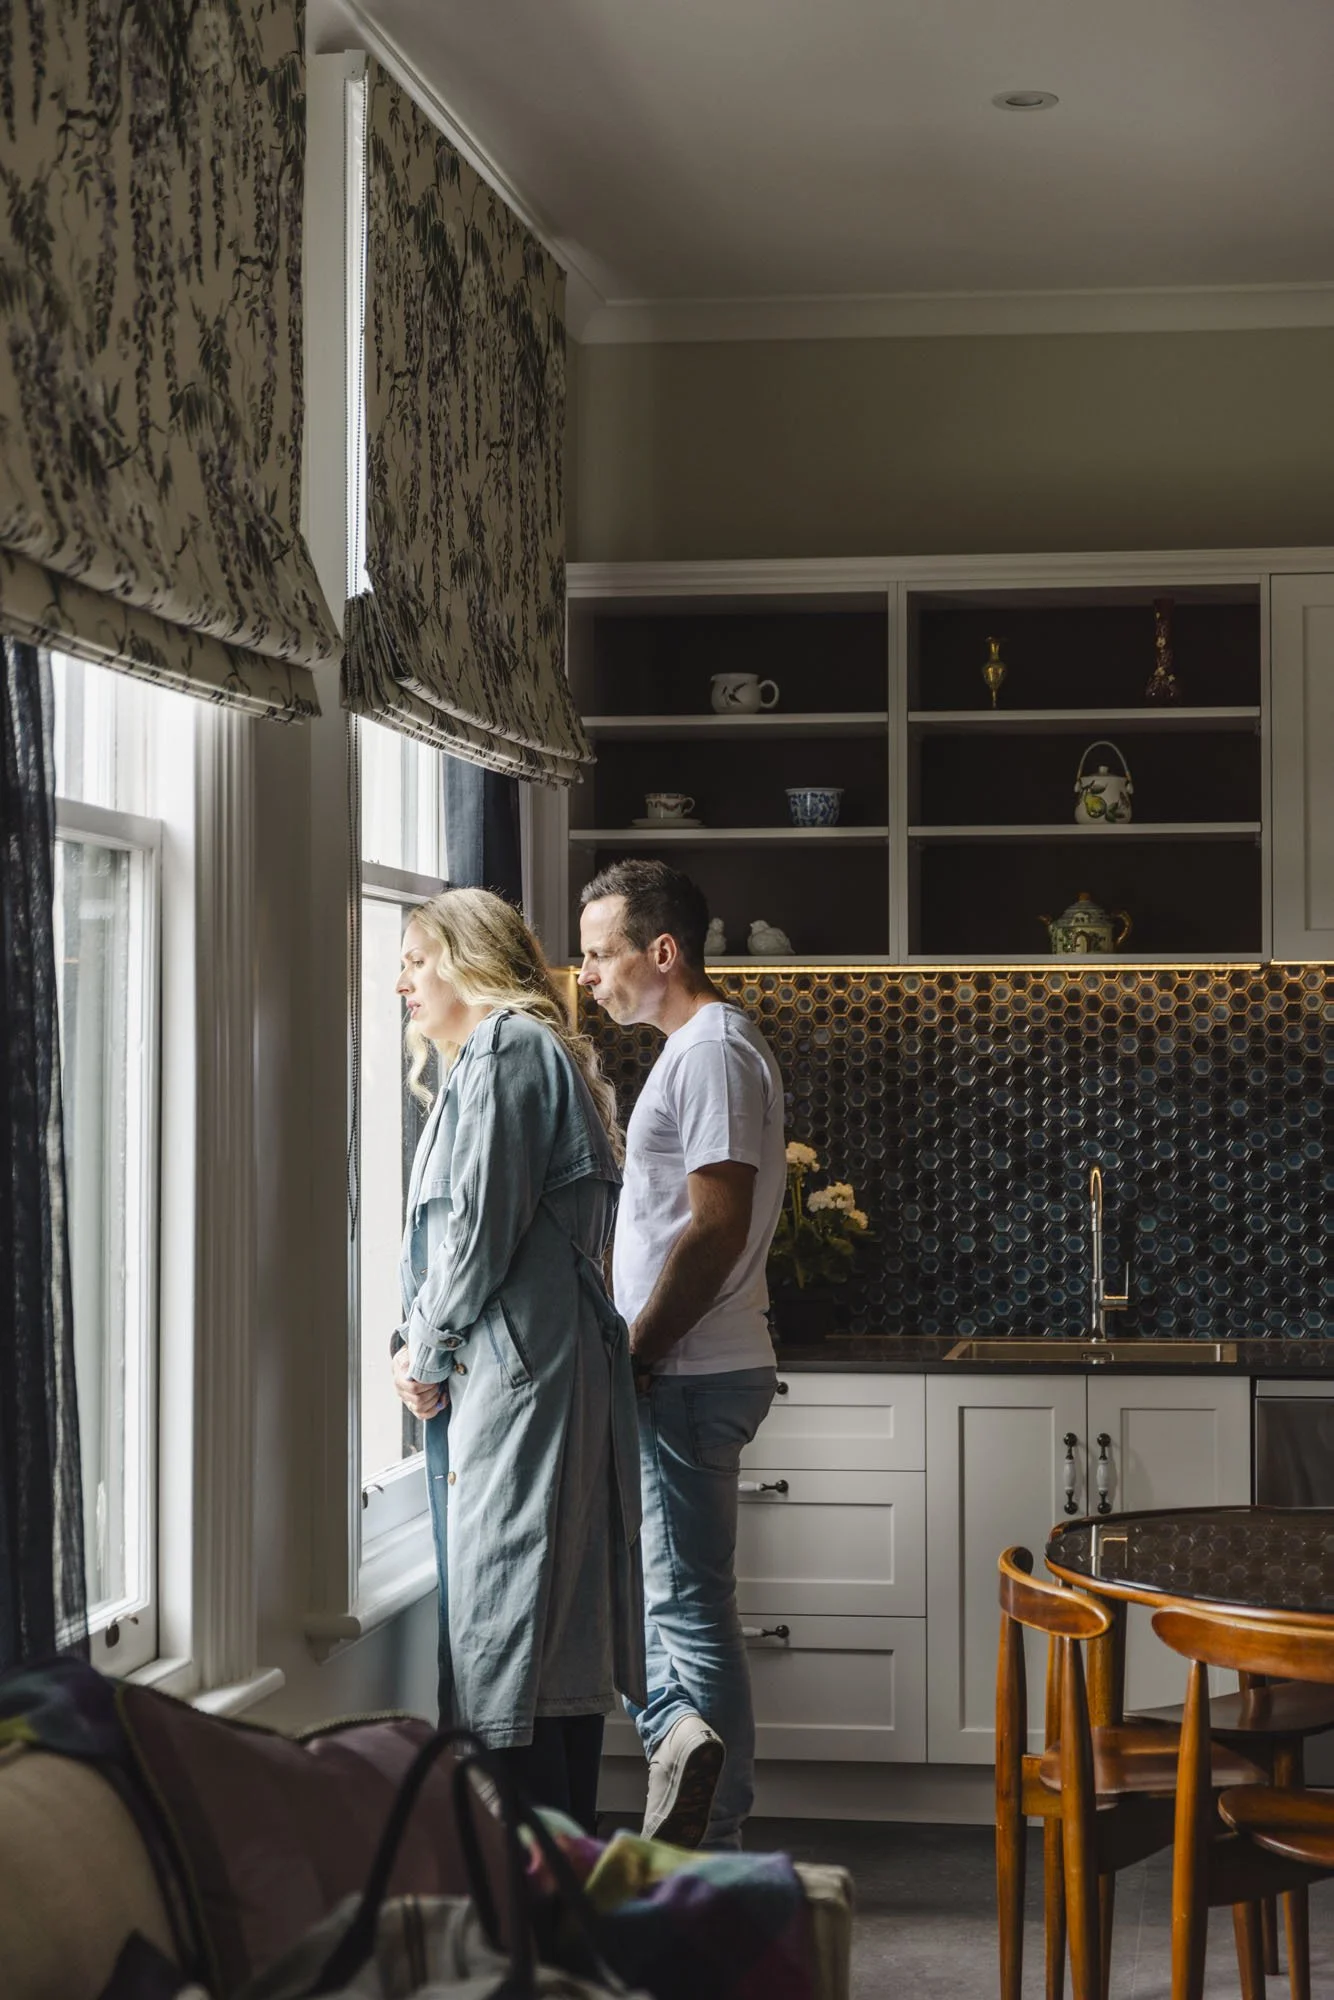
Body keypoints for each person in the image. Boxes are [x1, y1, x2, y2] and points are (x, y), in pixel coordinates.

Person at [391, 887, 645, 1832]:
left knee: (509, 1629)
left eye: (417, 959)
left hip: (521, 1379)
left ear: (469, 957)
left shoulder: (505, 1050)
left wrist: (421, 1351)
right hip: (543, 1370)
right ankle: (561, 1891)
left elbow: (477, 1237)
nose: (402, 981)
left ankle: (530, 1892)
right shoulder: (516, 1054)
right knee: (548, 1636)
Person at [577, 860, 786, 1851]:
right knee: (666, 1603)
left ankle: (716, 1847)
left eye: (597, 951)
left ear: (661, 951)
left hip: (688, 1370)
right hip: (686, 1369)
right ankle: (696, 1822)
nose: (586, 975)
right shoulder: (692, 1049)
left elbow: (712, 1223)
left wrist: (637, 1349)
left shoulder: (709, 1051)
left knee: (689, 1611)